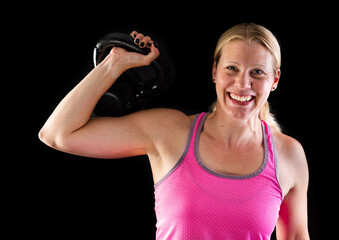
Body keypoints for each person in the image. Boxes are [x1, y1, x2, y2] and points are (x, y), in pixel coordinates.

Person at [39, 23, 310, 239]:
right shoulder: (170, 131)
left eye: (257, 73)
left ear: (274, 79)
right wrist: (115, 62)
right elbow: (58, 134)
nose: (243, 83)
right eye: (232, 68)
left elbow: (296, 236)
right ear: (214, 71)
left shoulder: (288, 154)